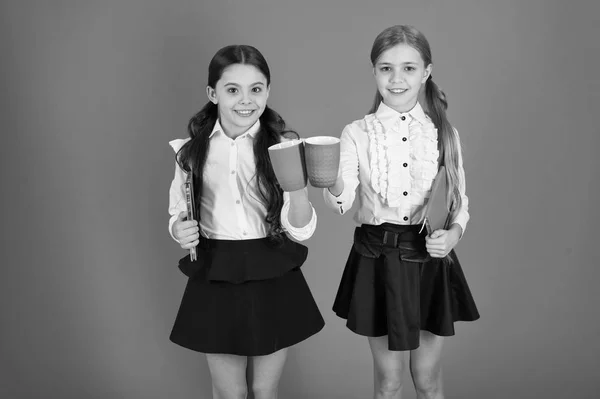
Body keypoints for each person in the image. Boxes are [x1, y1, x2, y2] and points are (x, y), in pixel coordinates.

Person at [322, 25, 479, 399]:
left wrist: (453, 235)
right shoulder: (357, 133)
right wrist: (327, 178)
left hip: (428, 258)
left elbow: (460, 203)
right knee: (389, 383)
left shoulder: (445, 133)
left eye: (408, 68)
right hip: (377, 257)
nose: (396, 78)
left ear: (426, 72)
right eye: (385, 68)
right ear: (374, 72)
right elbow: (341, 204)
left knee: (428, 380)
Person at [167, 44, 324, 399]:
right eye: (232, 89)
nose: (245, 100)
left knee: (264, 390)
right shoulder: (191, 151)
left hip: (272, 268)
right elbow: (178, 211)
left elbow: (301, 229)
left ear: (267, 91)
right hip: (216, 269)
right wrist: (179, 229)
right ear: (213, 93)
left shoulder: (283, 148)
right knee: (228, 392)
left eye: (256, 89)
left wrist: (298, 190)